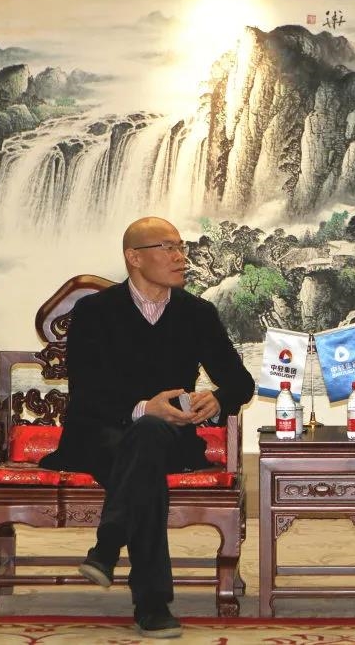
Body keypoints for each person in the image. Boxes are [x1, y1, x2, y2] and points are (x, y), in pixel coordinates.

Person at [39, 216, 254, 639]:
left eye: (180, 246)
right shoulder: (95, 312)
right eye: (167, 247)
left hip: (170, 439)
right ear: (134, 258)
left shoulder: (196, 313)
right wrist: (143, 408)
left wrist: (218, 399)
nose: (180, 257)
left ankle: (108, 546)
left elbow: (240, 383)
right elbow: (86, 394)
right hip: (99, 436)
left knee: (149, 443)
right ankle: (151, 604)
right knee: (145, 454)